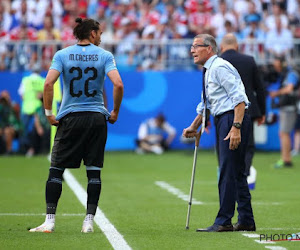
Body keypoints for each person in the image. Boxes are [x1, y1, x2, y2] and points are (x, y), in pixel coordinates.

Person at [29, 17, 124, 233]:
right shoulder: (105, 56)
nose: (100, 36)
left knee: (56, 169)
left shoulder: (62, 55)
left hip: (70, 117)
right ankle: (88, 222)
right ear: (92, 33)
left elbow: (48, 84)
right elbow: (118, 84)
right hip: (96, 119)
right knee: (94, 172)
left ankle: (50, 221)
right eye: (99, 33)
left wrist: (49, 113)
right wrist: (115, 111)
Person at [183, 34, 255, 232]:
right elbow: (206, 104)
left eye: (195, 46)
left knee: (227, 170)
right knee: (237, 170)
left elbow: (239, 98)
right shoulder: (209, 70)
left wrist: (236, 127)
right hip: (225, 118)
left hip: (232, 118)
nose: (192, 51)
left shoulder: (219, 67)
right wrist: (194, 126)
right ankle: (246, 219)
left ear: (209, 48)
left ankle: (224, 220)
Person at [220, 33, 265, 186]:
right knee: (247, 146)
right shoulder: (249, 60)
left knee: (224, 147)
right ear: (237, 46)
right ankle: (243, 178)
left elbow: (207, 90)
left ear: (221, 47)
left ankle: (227, 180)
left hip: (222, 112)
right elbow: (259, 88)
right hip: (247, 111)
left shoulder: (216, 62)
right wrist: (262, 112)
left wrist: (205, 118)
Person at [269, 56, 299, 168]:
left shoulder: (291, 74)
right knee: (283, 133)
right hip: (286, 107)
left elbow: (289, 89)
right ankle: (286, 158)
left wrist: (276, 94)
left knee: (284, 133)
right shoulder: (286, 74)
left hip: (289, 108)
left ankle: (286, 160)